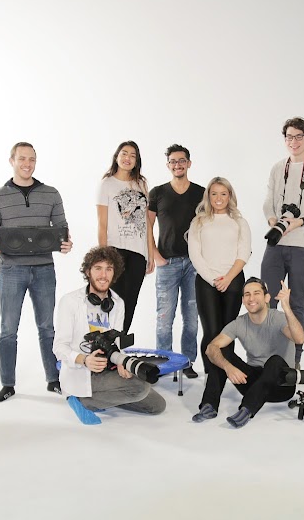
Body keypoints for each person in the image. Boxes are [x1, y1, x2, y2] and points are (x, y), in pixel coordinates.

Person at [0, 142, 73, 402]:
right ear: (12, 161)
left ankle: (53, 380)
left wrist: (67, 242)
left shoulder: (51, 194)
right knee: (8, 329)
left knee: (47, 328)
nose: (27, 164)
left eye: (32, 159)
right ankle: (7, 384)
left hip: (44, 269)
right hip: (11, 270)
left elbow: (63, 227)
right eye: (22, 158)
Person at [53, 246, 165, 425]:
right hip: (82, 370)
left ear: (115, 273)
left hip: (107, 369)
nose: (103, 275)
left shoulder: (118, 303)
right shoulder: (70, 301)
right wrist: (85, 360)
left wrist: (121, 363)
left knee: (157, 405)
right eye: (98, 268)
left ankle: (104, 397)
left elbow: (117, 342)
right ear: (88, 271)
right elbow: (59, 347)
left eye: (109, 269)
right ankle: (80, 400)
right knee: (140, 388)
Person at [261, 116, 304, 368]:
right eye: (289, 137)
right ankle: (267, 355)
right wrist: (274, 221)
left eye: (299, 136)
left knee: (297, 301)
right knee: (268, 300)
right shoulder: (277, 168)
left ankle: (295, 357)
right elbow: (268, 201)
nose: (294, 141)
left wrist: (300, 221)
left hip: (303, 245)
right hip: (276, 243)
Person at [193, 278, 302, 428]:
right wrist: (227, 367)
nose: (251, 298)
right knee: (221, 352)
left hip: (282, 385)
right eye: (247, 294)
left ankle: (246, 410)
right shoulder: (239, 323)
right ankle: (209, 406)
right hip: (253, 382)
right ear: (243, 300)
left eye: (256, 293)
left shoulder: (278, 318)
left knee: (275, 361)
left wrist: (287, 307)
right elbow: (211, 348)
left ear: (266, 298)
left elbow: (299, 338)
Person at [147, 144, 205, 378]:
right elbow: (147, 226)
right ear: (168, 165)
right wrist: (155, 256)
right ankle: (164, 363)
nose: (177, 165)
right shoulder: (157, 193)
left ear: (189, 163)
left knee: (191, 320)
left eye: (182, 161)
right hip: (167, 264)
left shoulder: (201, 193)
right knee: (164, 319)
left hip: (193, 265)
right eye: (173, 161)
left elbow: (207, 227)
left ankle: (187, 362)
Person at [187, 177, 251, 373]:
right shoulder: (198, 221)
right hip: (207, 282)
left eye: (223, 193)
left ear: (229, 196)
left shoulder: (239, 222)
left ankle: (226, 373)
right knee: (211, 331)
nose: (219, 198)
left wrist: (228, 278)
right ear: (208, 196)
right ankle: (211, 377)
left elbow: (244, 253)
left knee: (227, 332)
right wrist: (213, 280)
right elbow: (195, 254)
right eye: (214, 193)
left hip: (233, 281)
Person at [97, 140, 154, 334]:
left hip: (138, 252)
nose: (128, 158)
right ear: (117, 156)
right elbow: (102, 223)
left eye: (132, 155)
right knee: (112, 299)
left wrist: (150, 254)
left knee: (130, 301)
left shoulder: (141, 184)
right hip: (115, 250)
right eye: (124, 153)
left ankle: (119, 343)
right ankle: (104, 342)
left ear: (137, 160)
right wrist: (103, 256)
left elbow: (146, 222)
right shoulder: (107, 184)